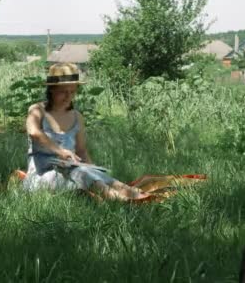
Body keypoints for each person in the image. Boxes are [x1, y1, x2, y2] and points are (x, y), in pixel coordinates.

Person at [23, 62, 152, 201]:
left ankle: (134, 195)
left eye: (72, 92)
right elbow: (34, 132)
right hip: (43, 176)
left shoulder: (77, 117)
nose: (68, 96)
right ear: (51, 90)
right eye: (63, 92)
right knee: (82, 174)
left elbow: (82, 151)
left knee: (94, 174)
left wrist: (94, 171)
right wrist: (61, 151)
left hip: (71, 172)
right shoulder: (37, 110)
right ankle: (121, 201)